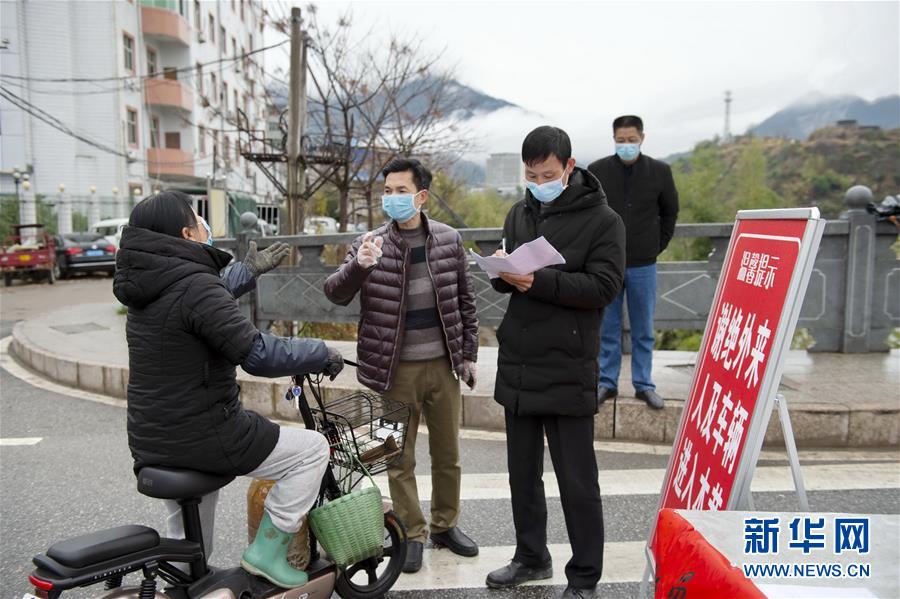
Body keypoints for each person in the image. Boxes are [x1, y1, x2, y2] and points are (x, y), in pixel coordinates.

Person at [113, 191, 345, 589]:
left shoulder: (147, 285)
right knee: (312, 451)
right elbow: (256, 353)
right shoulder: (195, 287)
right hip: (205, 433)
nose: (207, 227)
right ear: (187, 233)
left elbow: (196, 303)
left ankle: (185, 584)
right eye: (200, 220)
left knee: (188, 545)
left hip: (153, 438)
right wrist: (318, 351)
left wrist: (247, 270)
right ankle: (268, 553)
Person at [485, 126, 625, 599]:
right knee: (522, 475)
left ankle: (584, 577)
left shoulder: (605, 221)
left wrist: (537, 281)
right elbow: (509, 280)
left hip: (568, 363)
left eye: (547, 173)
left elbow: (603, 288)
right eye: (530, 174)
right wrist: (503, 272)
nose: (538, 181)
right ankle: (530, 557)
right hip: (520, 362)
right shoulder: (519, 212)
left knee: (577, 482)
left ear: (568, 168)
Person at [324, 157, 479, 574]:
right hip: (393, 371)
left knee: (449, 454)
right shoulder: (370, 243)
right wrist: (360, 266)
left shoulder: (448, 240)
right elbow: (334, 293)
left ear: (421, 196)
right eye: (387, 191)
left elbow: (465, 302)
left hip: (443, 368)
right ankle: (413, 532)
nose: (391, 199)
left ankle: (446, 525)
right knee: (396, 457)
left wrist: (467, 355)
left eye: (400, 191)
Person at [587, 115, 679, 409]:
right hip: (607, 264)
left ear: (642, 138)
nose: (626, 145)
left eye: (631, 140)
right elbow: (588, 213)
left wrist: (656, 246)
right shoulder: (597, 171)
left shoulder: (660, 171)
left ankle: (643, 384)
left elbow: (670, 213)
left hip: (643, 264)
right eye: (620, 140)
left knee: (643, 329)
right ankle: (606, 382)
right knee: (607, 328)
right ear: (613, 139)